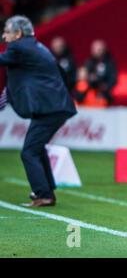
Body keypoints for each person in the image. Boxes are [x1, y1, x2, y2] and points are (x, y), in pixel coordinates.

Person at [0, 15, 77, 207]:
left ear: (18, 33)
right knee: (36, 148)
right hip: (54, 106)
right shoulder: (35, 46)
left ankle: (44, 194)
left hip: (51, 108)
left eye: (7, 32)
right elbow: (61, 72)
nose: (3, 36)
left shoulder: (19, 47)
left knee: (29, 152)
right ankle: (46, 191)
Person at [79, 39, 118, 106]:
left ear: (104, 49)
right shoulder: (89, 62)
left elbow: (113, 79)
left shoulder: (109, 63)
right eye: (94, 49)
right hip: (88, 93)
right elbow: (82, 76)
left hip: (103, 94)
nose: (96, 51)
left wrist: (105, 86)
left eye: (99, 49)